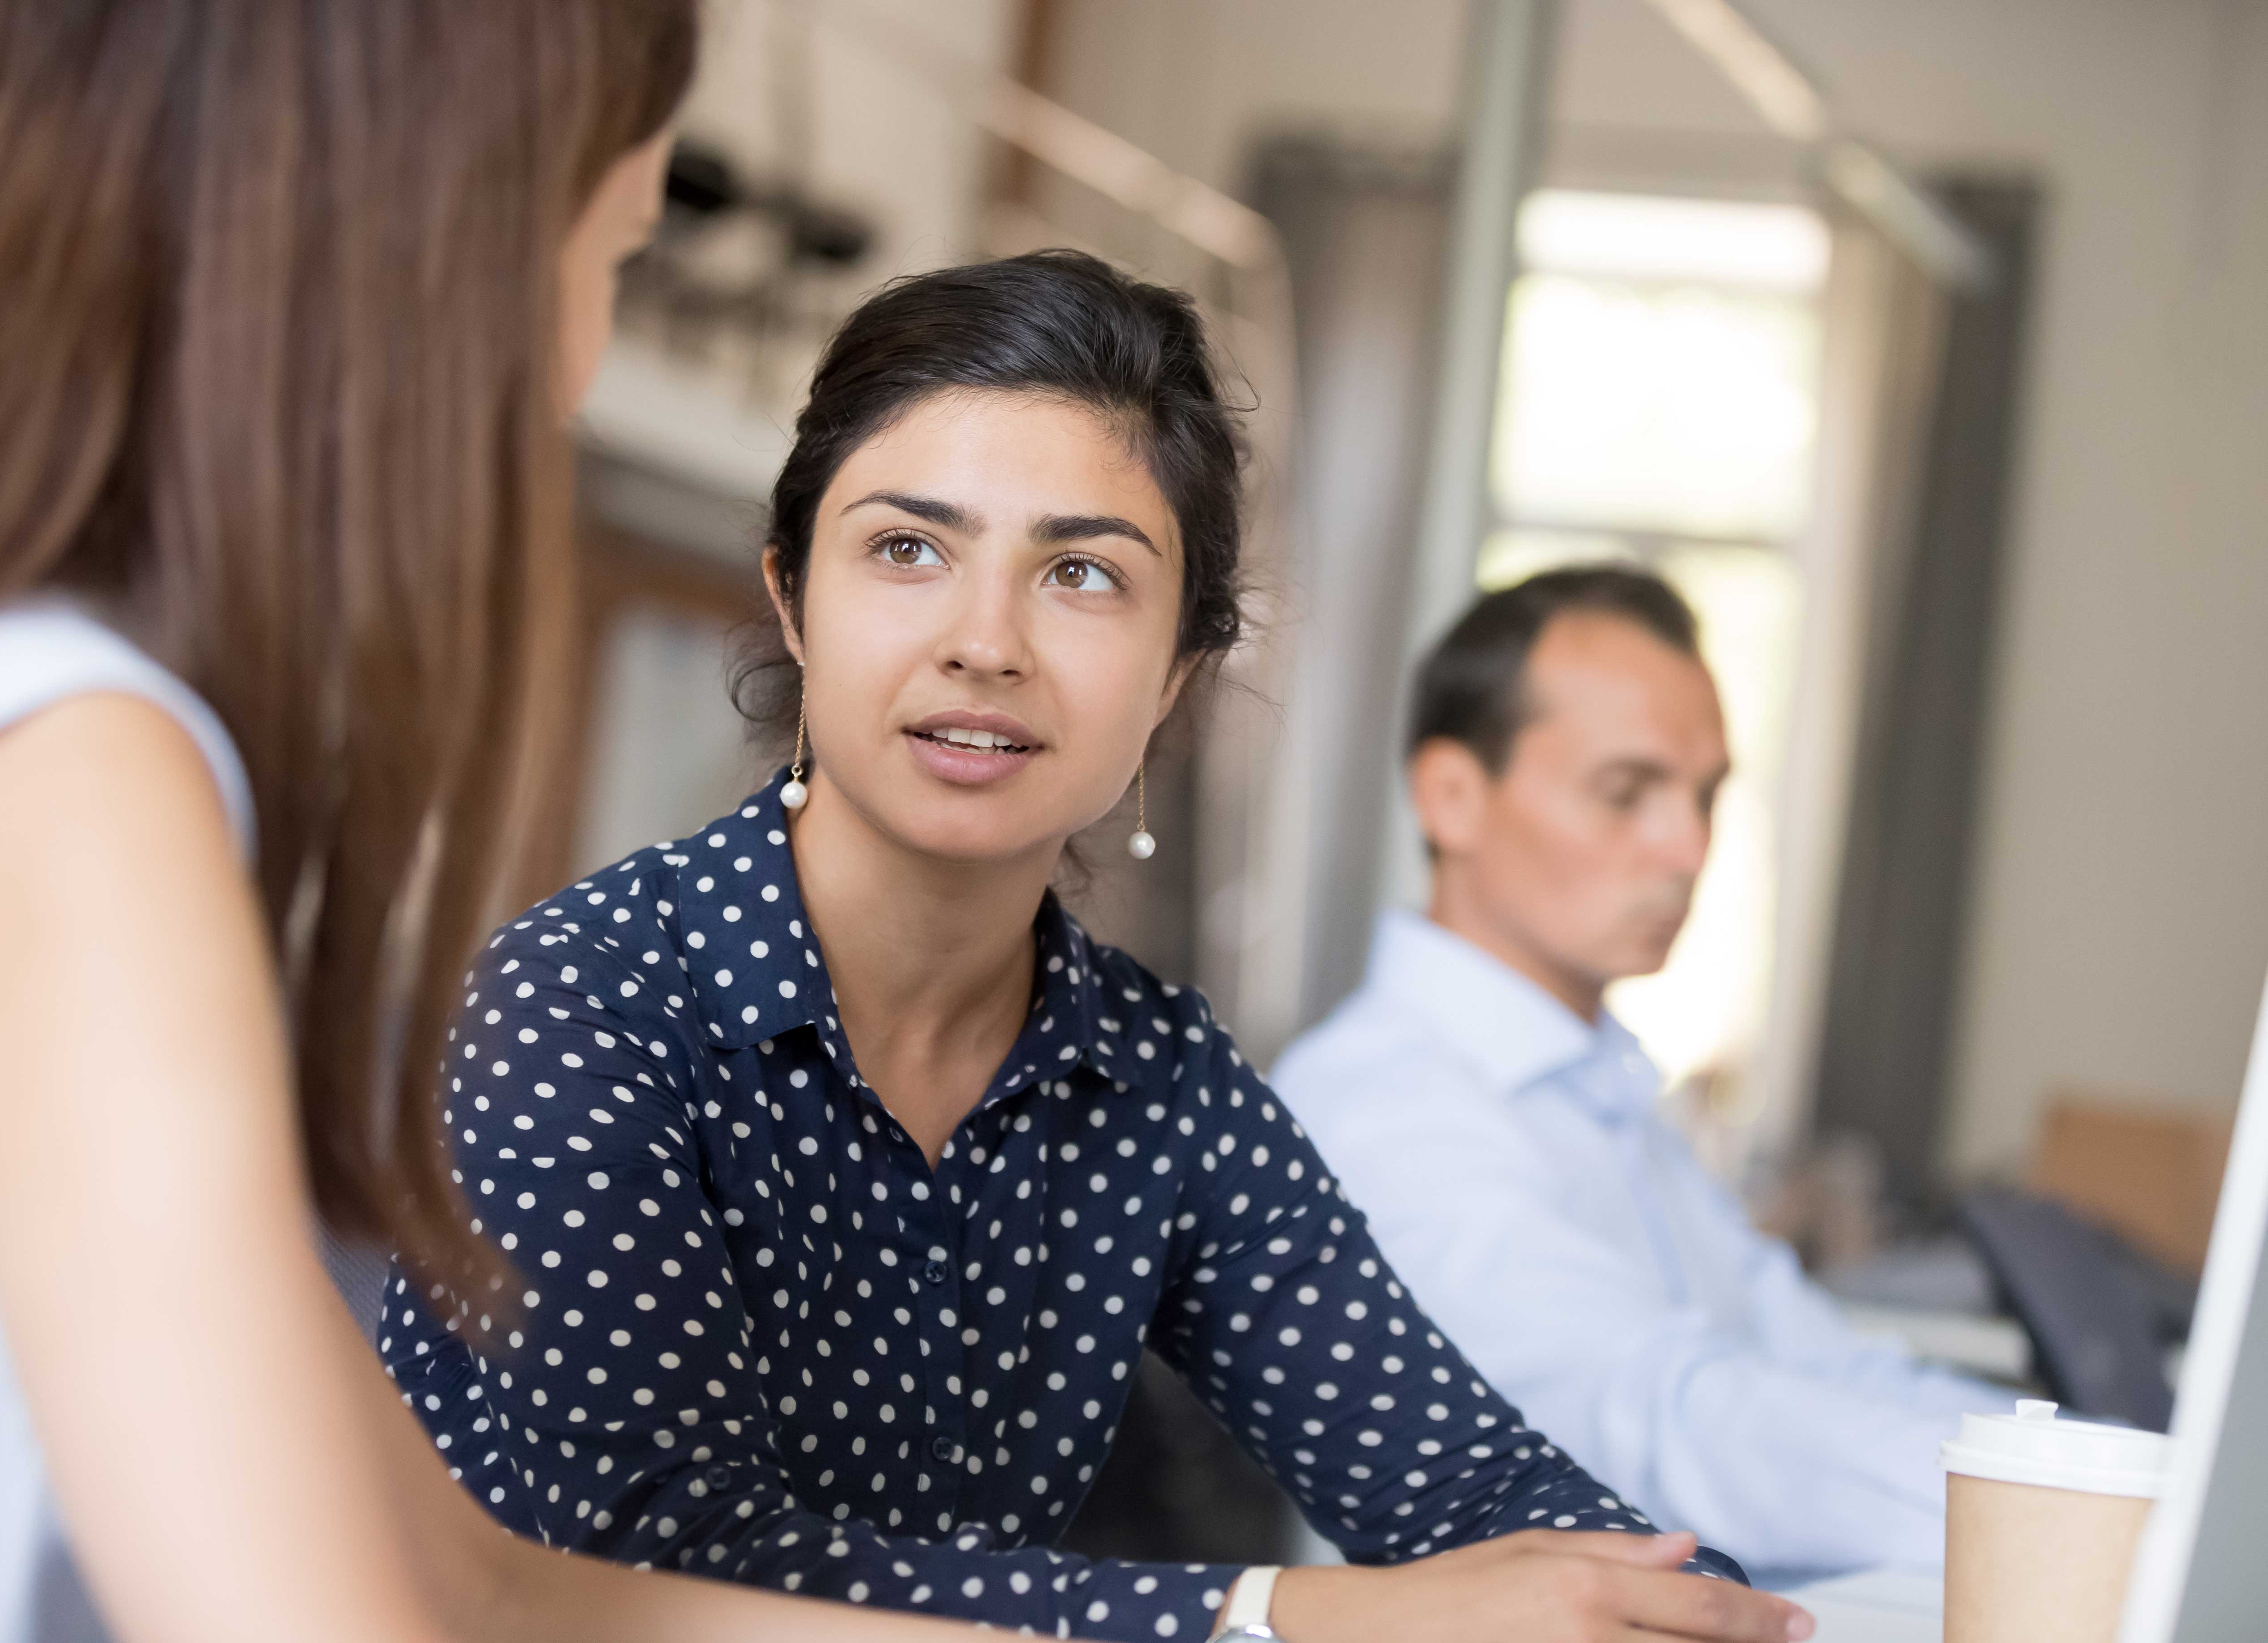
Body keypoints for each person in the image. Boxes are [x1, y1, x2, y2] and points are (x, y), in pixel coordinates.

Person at [381, 251, 1815, 1643]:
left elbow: (1453, 1479)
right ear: (793, 602)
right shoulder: (583, 1002)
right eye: (906, 549)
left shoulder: (1159, 1079)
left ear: (1177, 676)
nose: (985, 641)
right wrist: (1280, 1612)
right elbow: (656, 1555)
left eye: (1081, 576)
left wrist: (1682, 1605)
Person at [0, 4, 994, 1641]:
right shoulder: (64, 789)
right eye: (610, 260)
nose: (577, 365)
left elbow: (474, 1579)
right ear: (440, 267)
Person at [1272, 566, 2015, 1581]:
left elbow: (1816, 1360)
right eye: (1628, 792)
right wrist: (2061, 1506)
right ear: (1451, 795)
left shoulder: (1605, 1091)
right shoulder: (1381, 1107)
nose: (1689, 846)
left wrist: (2097, 1462)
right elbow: (1653, 1418)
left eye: (1705, 797)